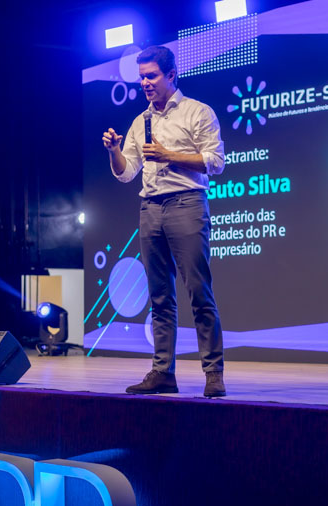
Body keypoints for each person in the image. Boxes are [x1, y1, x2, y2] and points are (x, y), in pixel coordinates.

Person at [102, 45, 227, 397]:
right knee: (159, 297)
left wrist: (169, 155)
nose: (145, 83)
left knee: (199, 292)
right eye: (141, 77)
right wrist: (114, 151)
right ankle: (162, 372)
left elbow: (216, 162)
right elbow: (126, 173)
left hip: (187, 203)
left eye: (151, 76)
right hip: (150, 209)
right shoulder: (140, 121)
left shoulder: (197, 112)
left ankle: (213, 373)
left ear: (171, 75)